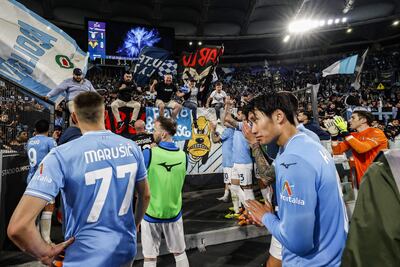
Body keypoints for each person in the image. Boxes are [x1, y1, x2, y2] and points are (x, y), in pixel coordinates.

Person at [8, 92, 151, 267]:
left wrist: (44, 253)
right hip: (124, 248)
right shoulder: (131, 147)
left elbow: (18, 227)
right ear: (105, 114)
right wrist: (134, 224)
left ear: (74, 117)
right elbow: (145, 196)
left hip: (83, 254)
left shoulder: (61, 155)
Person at [245, 92, 348, 266]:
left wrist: (266, 217)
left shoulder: (293, 160)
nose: (253, 129)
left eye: (255, 120)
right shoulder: (309, 145)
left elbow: (298, 243)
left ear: (279, 116)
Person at [141, 116, 189, 267]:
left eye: (154, 130)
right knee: (180, 253)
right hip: (174, 212)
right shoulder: (184, 156)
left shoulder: (148, 154)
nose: (151, 132)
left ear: (163, 134)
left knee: (149, 258)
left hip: (150, 212)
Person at [341, 149, 400, 267]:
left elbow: (361, 147)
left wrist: (348, 137)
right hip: (362, 179)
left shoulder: (386, 168)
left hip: (372, 182)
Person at [326, 110, 388, 185]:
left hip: (377, 178)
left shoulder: (376, 132)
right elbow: (337, 151)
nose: (349, 120)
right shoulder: (353, 135)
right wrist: (334, 136)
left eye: (353, 118)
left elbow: (362, 149)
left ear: (363, 120)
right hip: (360, 179)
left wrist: (345, 132)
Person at [26, 119, 57, 244]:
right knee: (48, 207)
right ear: (48, 130)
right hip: (44, 178)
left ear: (36, 129)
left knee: (35, 210)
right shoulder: (50, 141)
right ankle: (46, 240)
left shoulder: (30, 141)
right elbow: (56, 158)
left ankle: (35, 240)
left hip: (31, 178)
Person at [224, 100, 255, 225]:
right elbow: (226, 120)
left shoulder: (246, 126)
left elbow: (228, 119)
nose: (237, 115)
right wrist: (227, 106)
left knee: (247, 189)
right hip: (237, 163)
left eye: (239, 113)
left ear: (244, 115)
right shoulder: (239, 126)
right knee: (234, 186)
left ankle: (252, 214)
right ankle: (249, 209)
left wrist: (229, 107)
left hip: (244, 163)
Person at [209, 121, 237, 211]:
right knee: (228, 180)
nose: (225, 122)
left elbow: (215, 140)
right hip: (228, 161)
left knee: (233, 185)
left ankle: (238, 207)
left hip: (230, 161)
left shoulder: (228, 131)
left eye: (226, 121)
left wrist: (212, 130)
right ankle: (227, 196)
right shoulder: (231, 130)